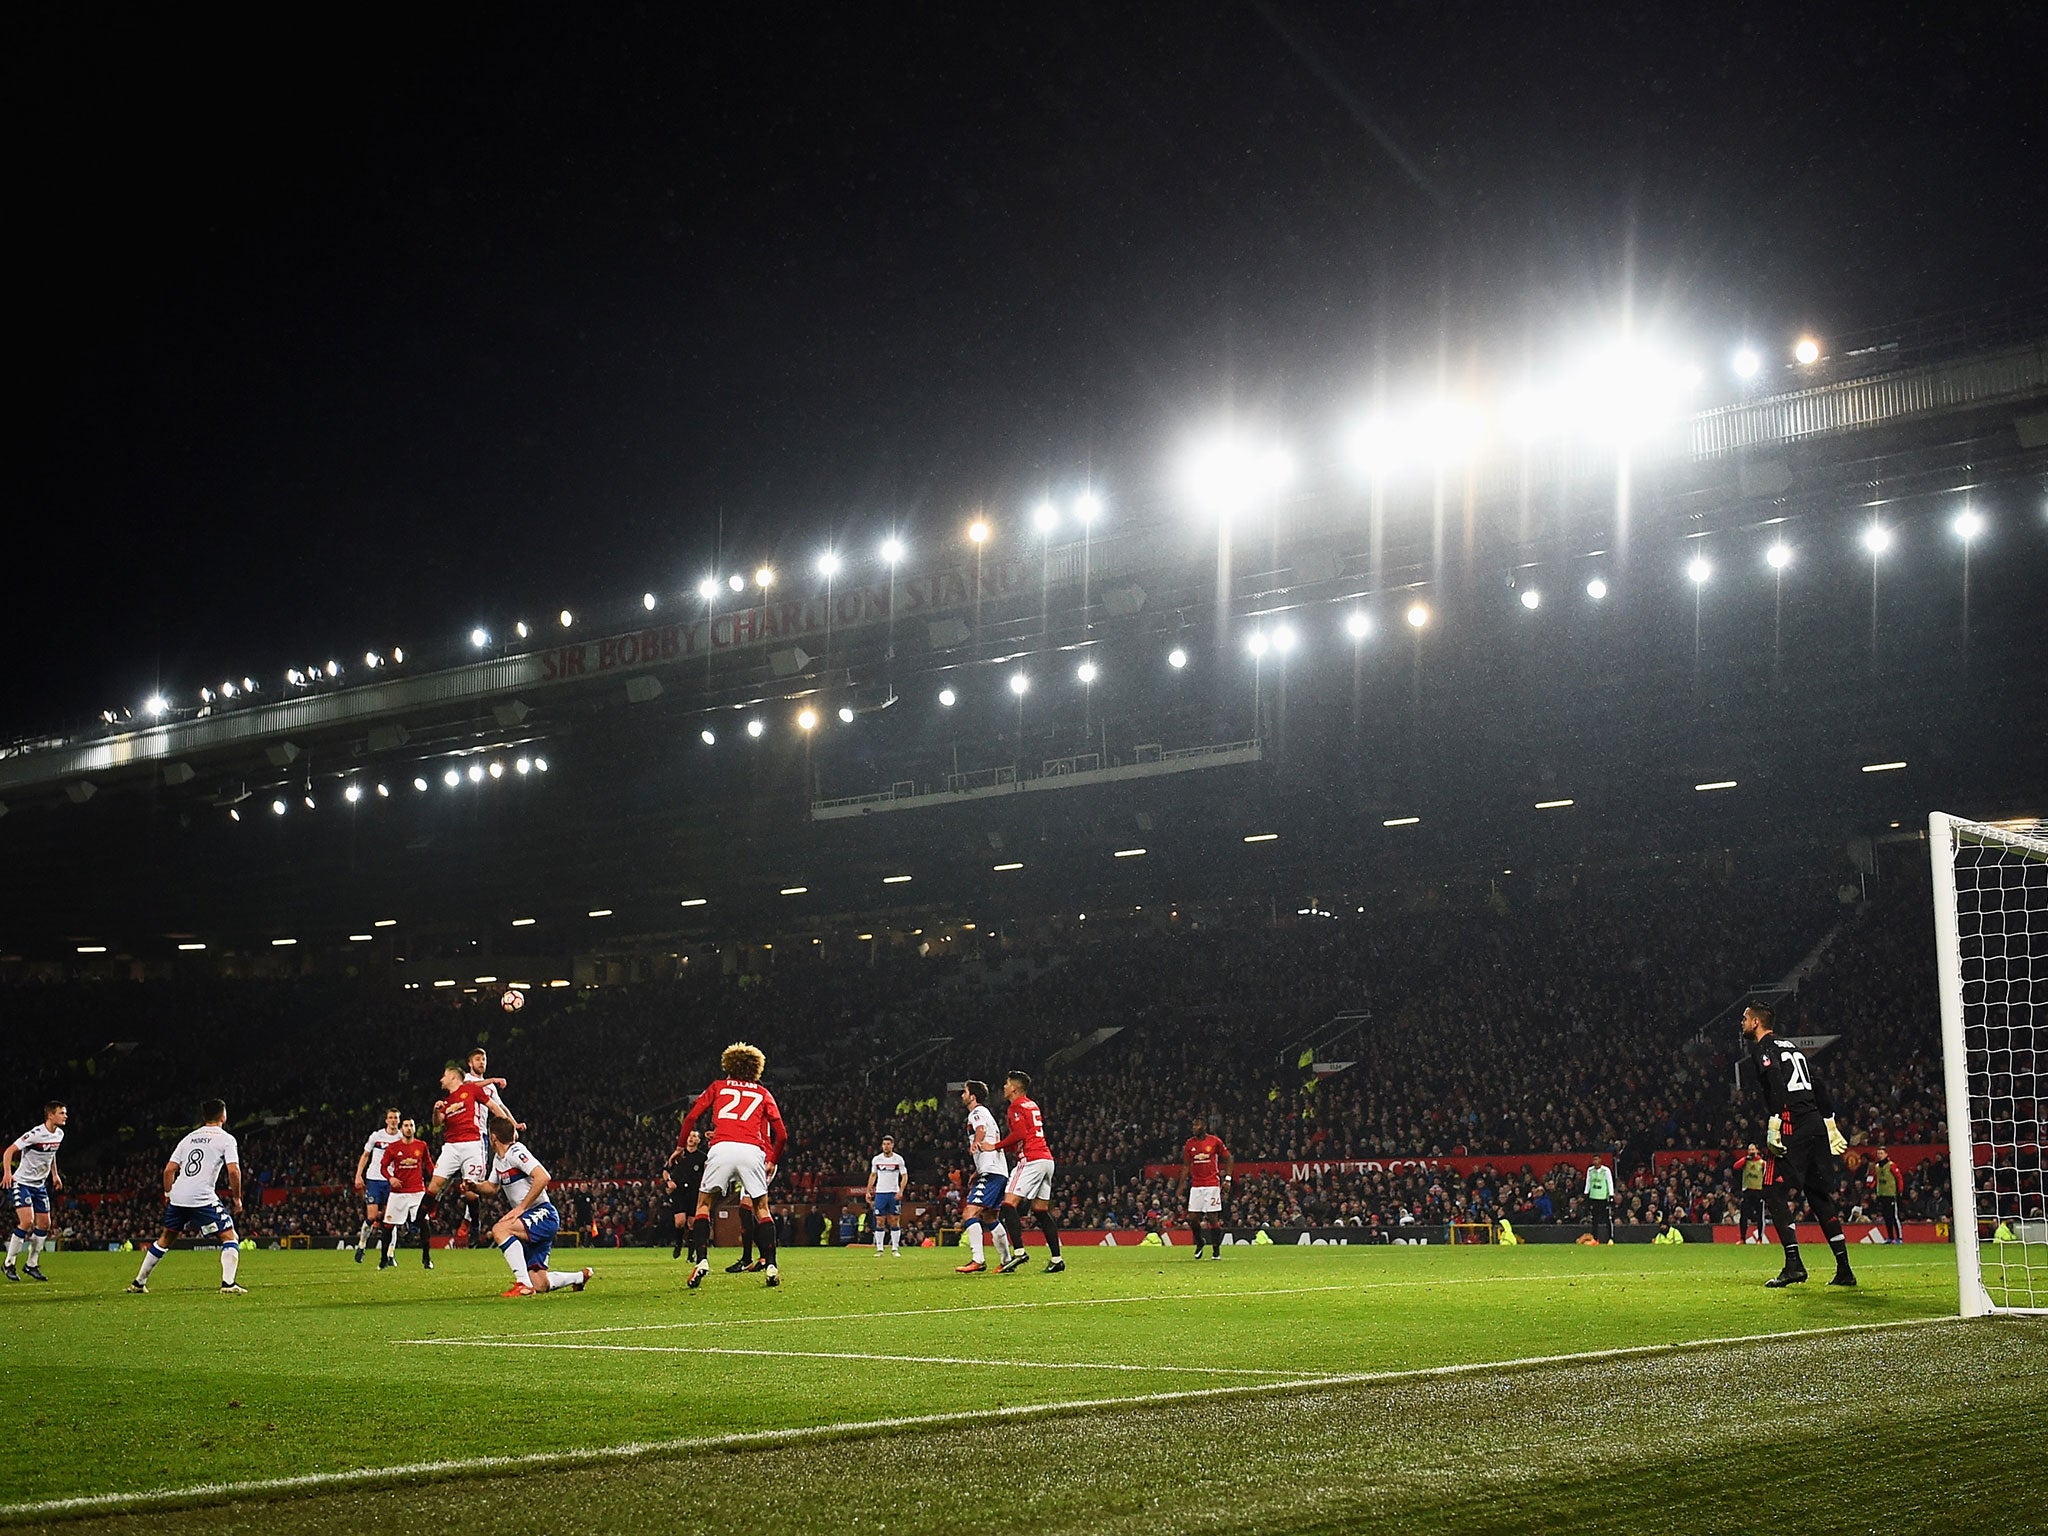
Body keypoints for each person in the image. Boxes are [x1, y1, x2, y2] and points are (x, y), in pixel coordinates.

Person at [1742, 1003, 1857, 1289]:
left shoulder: (1764, 1048)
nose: (1741, 1022)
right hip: (1815, 1123)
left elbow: (1776, 1082)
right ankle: (1844, 1269)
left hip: (1793, 1123)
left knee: (1771, 1189)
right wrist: (1829, 1121)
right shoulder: (1791, 1047)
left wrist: (1775, 1120)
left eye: (1744, 1018)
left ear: (1756, 1022)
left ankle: (1794, 1265)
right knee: (1818, 1196)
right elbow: (1816, 1084)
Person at [680, 1042, 788, 1290]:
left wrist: (679, 1146)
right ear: (755, 1069)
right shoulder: (763, 1093)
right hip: (752, 1151)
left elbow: (691, 1117)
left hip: (722, 1148)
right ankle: (771, 1265)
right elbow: (782, 1135)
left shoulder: (718, 1086)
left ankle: (702, 1261)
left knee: (704, 1204)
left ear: (728, 1065)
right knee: (762, 1208)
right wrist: (772, 1159)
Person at [127, 1100, 247, 1295]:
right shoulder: (226, 1139)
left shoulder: (188, 1138)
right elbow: (233, 1171)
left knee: (165, 1238)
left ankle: (138, 1283)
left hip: (179, 1195)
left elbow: (169, 1170)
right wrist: (236, 1199)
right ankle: (228, 1284)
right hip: (202, 1197)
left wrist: (168, 1194)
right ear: (223, 1116)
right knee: (230, 1236)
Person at [465, 1116, 591, 1296]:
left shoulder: (516, 1152)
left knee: (500, 1229)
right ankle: (580, 1277)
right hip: (532, 1218)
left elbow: (543, 1177)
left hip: (543, 1214)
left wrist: (521, 1207)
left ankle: (522, 1284)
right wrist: (474, 1186)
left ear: (493, 1137)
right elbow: (491, 1188)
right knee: (540, 1283)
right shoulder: (500, 1160)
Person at [981, 1070, 1062, 1274]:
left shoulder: (1015, 1106)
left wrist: (996, 1146)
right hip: (1046, 1159)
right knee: (1040, 1211)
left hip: (1031, 1159)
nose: (1004, 1087)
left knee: (1008, 1204)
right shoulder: (1031, 1104)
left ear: (1014, 1088)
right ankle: (1057, 1259)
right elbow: (1026, 1135)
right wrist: (1004, 1147)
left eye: (1007, 1084)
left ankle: (1018, 1253)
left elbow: (1019, 1134)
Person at [428, 1062, 503, 1250]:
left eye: (444, 1075)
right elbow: (437, 1124)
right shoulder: (446, 1102)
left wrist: (507, 1126)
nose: (440, 1079)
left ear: (453, 1077)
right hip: (451, 1146)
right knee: (433, 1184)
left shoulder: (470, 1089)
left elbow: (493, 1106)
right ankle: (417, 1221)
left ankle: (474, 1226)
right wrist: (436, 1111)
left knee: (471, 1190)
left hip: (472, 1143)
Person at [954, 1080, 1015, 1274]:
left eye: (964, 1092)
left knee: (969, 1213)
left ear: (972, 1096)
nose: (962, 1095)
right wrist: (977, 1171)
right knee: (990, 1216)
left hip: (991, 1172)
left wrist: (976, 1144)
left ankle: (978, 1260)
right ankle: (1006, 1261)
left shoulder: (977, 1112)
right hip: (997, 1171)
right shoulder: (986, 1113)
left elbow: (981, 1130)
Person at [4, 1101, 67, 1282]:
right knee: (27, 1221)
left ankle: (31, 1264)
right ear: (50, 1115)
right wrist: (8, 1173)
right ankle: (9, 1263)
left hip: (39, 1185)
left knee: (45, 1224)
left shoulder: (59, 1134)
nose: (65, 1116)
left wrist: (55, 1175)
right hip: (22, 1183)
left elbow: (51, 1154)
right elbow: (9, 1151)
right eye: (62, 1113)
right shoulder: (35, 1134)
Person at [377, 1117, 432, 1269]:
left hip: (417, 1191)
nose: (408, 1128)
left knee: (425, 1223)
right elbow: (383, 1167)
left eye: (411, 1125)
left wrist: (436, 1178)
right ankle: (383, 1259)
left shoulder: (421, 1145)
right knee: (388, 1226)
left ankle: (426, 1259)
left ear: (414, 1128)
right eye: (406, 1125)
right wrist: (390, 1178)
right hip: (398, 1192)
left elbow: (428, 1164)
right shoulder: (393, 1147)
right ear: (401, 1129)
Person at [352, 1108, 403, 1264]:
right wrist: (358, 1175)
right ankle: (361, 1246)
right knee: (372, 1216)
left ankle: (390, 1254)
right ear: (386, 1120)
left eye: (396, 1118)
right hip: (374, 1178)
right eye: (390, 1117)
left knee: (391, 1219)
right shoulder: (377, 1136)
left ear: (398, 1121)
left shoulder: (402, 1138)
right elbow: (365, 1155)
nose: (393, 1120)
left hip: (392, 1181)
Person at [1180, 1114, 1233, 1260]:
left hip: (1211, 1184)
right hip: (1196, 1185)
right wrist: (1181, 1185)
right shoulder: (1189, 1144)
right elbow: (1186, 1166)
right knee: (1193, 1218)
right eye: (1193, 1125)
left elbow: (1229, 1158)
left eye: (1197, 1125)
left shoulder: (1214, 1141)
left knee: (1212, 1218)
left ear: (1204, 1127)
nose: (1194, 1128)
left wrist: (1227, 1179)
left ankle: (1216, 1251)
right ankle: (1199, 1242)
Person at [664, 1126, 706, 1260]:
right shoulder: (678, 1154)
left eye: (694, 1136)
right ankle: (678, 1243)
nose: (691, 1138)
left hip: (694, 1192)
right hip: (679, 1191)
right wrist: (669, 1181)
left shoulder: (702, 1157)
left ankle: (691, 1253)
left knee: (692, 1223)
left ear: (699, 1140)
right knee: (680, 1222)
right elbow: (665, 1170)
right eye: (689, 1135)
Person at [866, 1135, 908, 1256]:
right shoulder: (877, 1159)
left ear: (892, 1145)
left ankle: (895, 1249)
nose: (886, 1146)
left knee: (894, 1220)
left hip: (893, 1192)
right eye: (884, 1144)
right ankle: (880, 1249)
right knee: (880, 1221)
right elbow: (873, 1175)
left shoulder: (898, 1159)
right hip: (880, 1193)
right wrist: (868, 1191)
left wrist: (901, 1190)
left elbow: (904, 1175)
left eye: (888, 1144)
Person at [1868, 1147, 1904, 1245]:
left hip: (1891, 1194)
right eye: (1878, 1153)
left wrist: (1900, 1190)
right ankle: (1890, 1237)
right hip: (1882, 1194)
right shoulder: (1877, 1167)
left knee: (1894, 1216)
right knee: (1886, 1216)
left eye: (1881, 1153)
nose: (1879, 1155)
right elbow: (1875, 1179)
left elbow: (1899, 1178)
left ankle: (1899, 1238)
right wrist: (1871, 1186)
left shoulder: (1891, 1165)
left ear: (1886, 1154)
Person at [1734, 1143, 1768, 1244]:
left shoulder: (1762, 1163)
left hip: (1758, 1192)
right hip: (1747, 1192)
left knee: (1760, 1217)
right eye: (1749, 1150)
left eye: (1753, 1150)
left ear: (1757, 1150)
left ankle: (1760, 1239)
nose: (1751, 1152)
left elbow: (1766, 1177)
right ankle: (1742, 1238)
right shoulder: (1745, 1162)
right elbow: (1735, 1166)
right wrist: (1745, 1158)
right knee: (1743, 1216)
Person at [1583, 1160, 1615, 1244]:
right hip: (1594, 1197)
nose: (1595, 1162)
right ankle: (1595, 1238)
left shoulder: (1606, 1170)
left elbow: (1609, 1182)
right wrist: (1586, 1193)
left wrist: (1611, 1195)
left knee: (1607, 1218)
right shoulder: (1590, 1170)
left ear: (1600, 1161)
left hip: (1603, 1197)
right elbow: (1588, 1182)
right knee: (1594, 1219)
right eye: (1594, 1160)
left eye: (1596, 1160)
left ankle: (1610, 1238)